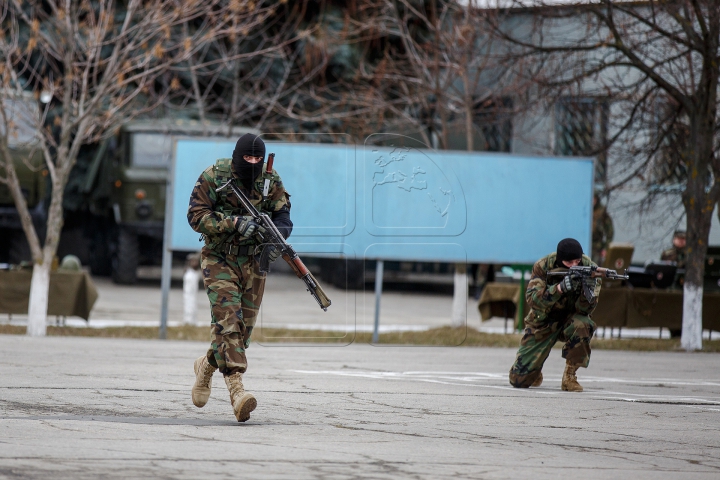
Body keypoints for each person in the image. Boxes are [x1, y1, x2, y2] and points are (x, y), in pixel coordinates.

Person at [186, 133, 292, 422]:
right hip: (219, 257)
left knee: (241, 331)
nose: (254, 163)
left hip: (254, 262)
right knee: (228, 320)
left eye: (259, 159)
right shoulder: (215, 175)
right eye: (248, 158)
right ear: (237, 156)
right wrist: (233, 222)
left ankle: (207, 365)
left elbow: (283, 215)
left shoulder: (270, 181)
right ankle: (237, 390)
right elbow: (195, 216)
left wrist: (276, 241)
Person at [508, 238, 601, 392]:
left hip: (570, 321)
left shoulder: (590, 268)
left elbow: (585, 310)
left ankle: (569, 376)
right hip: (543, 321)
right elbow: (532, 299)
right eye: (569, 262)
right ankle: (534, 370)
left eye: (577, 261)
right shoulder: (544, 266)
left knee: (584, 324)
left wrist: (587, 291)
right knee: (519, 380)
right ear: (560, 260)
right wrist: (559, 289)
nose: (574, 266)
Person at [592, 194, 614, 266]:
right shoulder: (583, 209)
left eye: (594, 198)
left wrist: (605, 247)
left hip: (597, 247)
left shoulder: (601, 211)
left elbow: (609, 231)